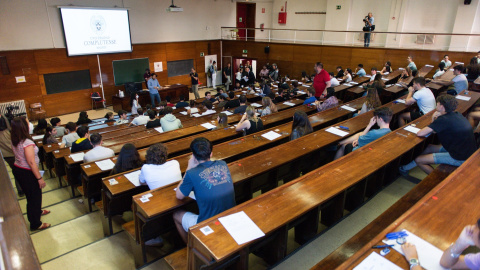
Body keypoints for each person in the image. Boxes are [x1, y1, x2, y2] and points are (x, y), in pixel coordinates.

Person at [173, 137, 235, 243]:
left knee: (176, 215)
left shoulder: (191, 173)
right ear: (211, 153)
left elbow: (179, 196)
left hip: (208, 222)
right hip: (229, 215)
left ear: (193, 156)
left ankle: (191, 247)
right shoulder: (223, 164)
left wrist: (188, 168)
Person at [400, 95, 477, 175]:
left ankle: (437, 179)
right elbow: (435, 130)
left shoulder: (443, 119)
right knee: (429, 147)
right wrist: (434, 119)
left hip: (460, 157)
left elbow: (420, 133)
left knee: (419, 160)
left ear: (442, 107)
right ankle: (406, 167)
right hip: (466, 150)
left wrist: (433, 118)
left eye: (437, 104)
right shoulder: (457, 114)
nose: (436, 105)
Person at [11, 117, 50, 230]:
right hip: (27, 172)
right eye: (28, 123)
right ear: (24, 126)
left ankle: (37, 211)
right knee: (34, 198)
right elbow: (31, 162)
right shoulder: (26, 142)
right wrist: (39, 178)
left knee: (32, 196)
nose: (30, 125)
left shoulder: (15, 137)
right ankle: (35, 223)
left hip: (19, 168)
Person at [0, 115, 23, 196]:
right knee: (18, 171)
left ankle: (20, 188)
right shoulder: (5, 133)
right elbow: (12, 147)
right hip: (11, 154)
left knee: (16, 171)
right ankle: (21, 189)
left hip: (6, 155)